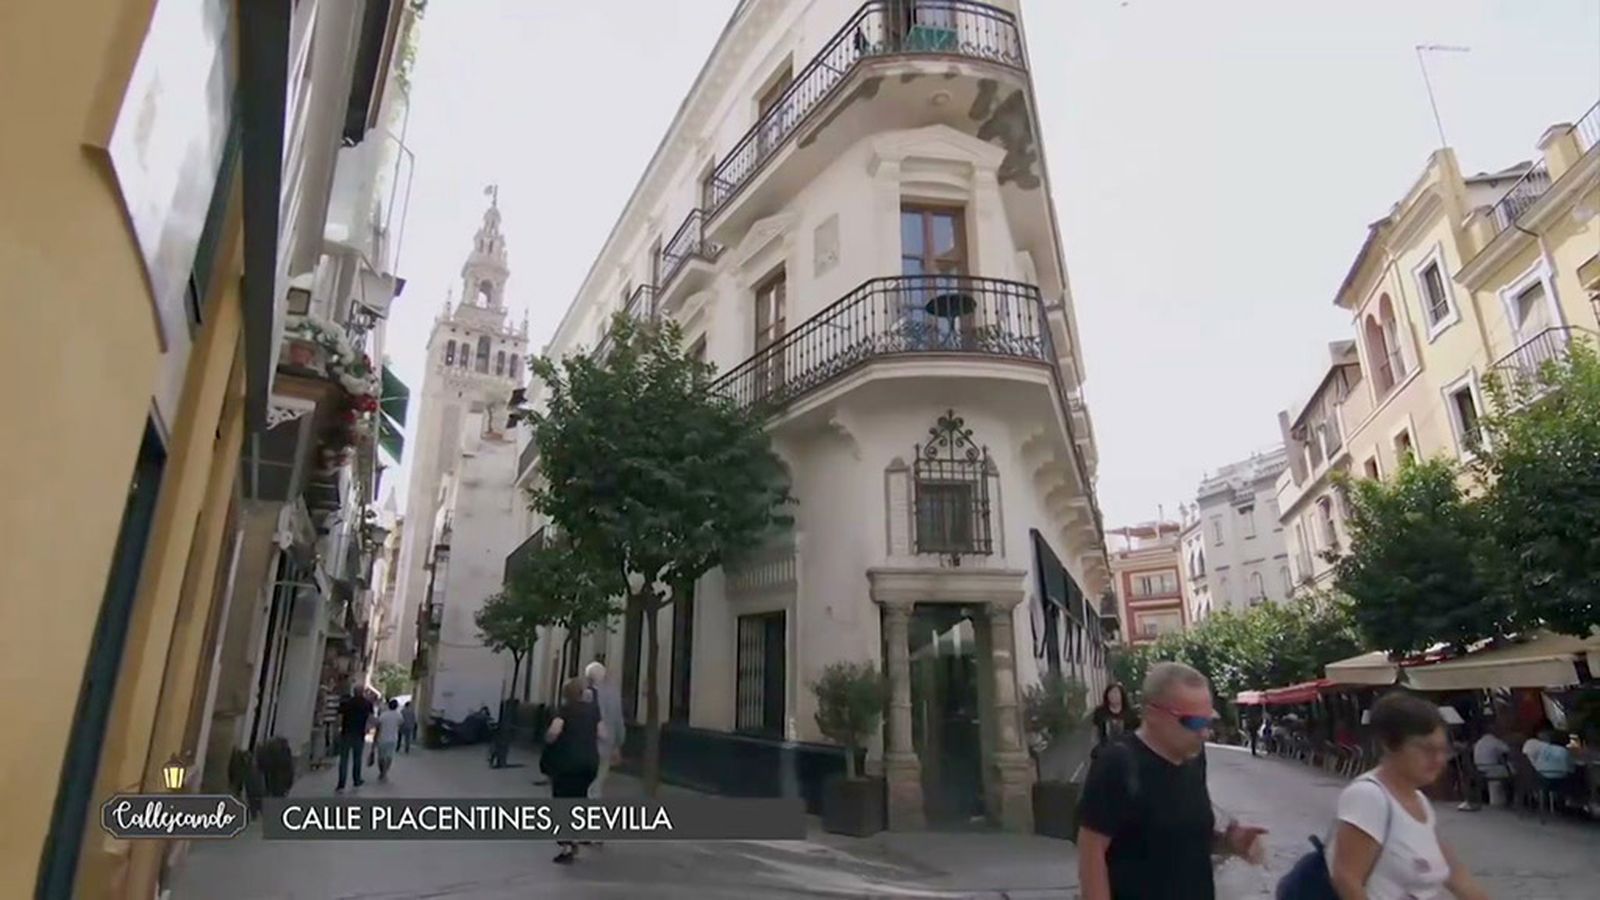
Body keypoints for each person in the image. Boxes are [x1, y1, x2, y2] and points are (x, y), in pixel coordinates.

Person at [1077, 662, 1266, 900]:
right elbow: (1091, 855)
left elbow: (1183, 838)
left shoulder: (1194, 759)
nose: (1204, 732)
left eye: (1208, 721)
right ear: (1153, 714)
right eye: (1194, 723)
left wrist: (1230, 842)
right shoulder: (1117, 764)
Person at [1326, 691, 1490, 900]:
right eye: (1426, 749)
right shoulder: (1368, 797)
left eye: (1443, 750)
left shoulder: (1419, 800)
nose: (1439, 759)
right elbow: (1347, 880)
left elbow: (1455, 874)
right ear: (1388, 745)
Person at [544, 677, 607, 865]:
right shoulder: (593, 710)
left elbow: (554, 732)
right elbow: (603, 734)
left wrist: (548, 739)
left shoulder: (563, 710)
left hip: (567, 764)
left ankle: (567, 846)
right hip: (589, 764)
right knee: (579, 798)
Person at [584, 661, 626, 798]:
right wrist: (618, 744)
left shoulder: (584, 693)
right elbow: (617, 719)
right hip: (606, 744)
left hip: (584, 744)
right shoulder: (613, 693)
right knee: (597, 784)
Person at [335, 682, 374, 791]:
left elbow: (339, 717)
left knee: (344, 759)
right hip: (359, 734)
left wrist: (338, 729)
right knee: (357, 758)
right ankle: (356, 780)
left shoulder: (346, 703)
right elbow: (370, 719)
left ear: (354, 692)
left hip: (346, 732)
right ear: (362, 692)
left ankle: (341, 783)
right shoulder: (367, 704)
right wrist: (368, 729)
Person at [1089, 683, 1135, 759]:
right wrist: (1094, 745)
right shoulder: (1100, 712)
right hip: (1104, 752)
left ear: (1122, 695)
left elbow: (1136, 733)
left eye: (1116, 693)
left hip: (1126, 753)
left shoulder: (1130, 713)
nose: (1113, 696)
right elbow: (1095, 729)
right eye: (1111, 693)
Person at [1470, 726, 1510, 808]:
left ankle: (1498, 799)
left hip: (1479, 769)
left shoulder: (1478, 742)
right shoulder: (1494, 741)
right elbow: (1507, 749)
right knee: (1513, 771)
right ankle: (1506, 799)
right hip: (1492, 769)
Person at [374, 699, 404, 781]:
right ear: (396, 706)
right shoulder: (399, 715)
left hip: (382, 738)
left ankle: (382, 772)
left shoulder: (383, 715)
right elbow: (401, 724)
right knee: (389, 757)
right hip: (393, 739)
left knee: (381, 758)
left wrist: (375, 739)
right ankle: (385, 772)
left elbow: (378, 727)